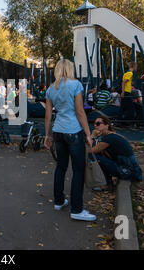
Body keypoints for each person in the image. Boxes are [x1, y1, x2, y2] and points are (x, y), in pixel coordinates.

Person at [44, 59, 96, 222]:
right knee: (78, 170)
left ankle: (59, 201)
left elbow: (47, 115)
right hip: (73, 131)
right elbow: (80, 111)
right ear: (70, 69)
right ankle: (77, 209)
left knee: (61, 167)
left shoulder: (51, 89)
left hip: (58, 131)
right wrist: (88, 133)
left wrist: (48, 135)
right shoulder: (76, 85)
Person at [89, 115, 143, 190]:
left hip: (129, 172)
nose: (95, 126)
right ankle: (107, 183)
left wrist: (92, 136)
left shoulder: (110, 138)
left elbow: (90, 151)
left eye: (98, 123)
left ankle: (107, 184)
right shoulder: (111, 135)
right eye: (94, 124)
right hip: (131, 171)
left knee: (92, 156)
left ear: (107, 125)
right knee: (98, 155)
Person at [119, 62, 137, 126]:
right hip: (126, 92)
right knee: (131, 108)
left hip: (125, 92)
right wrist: (123, 92)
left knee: (123, 108)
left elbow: (124, 82)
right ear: (134, 66)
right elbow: (124, 82)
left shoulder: (126, 73)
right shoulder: (130, 73)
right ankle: (129, 123)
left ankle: (120, 122)